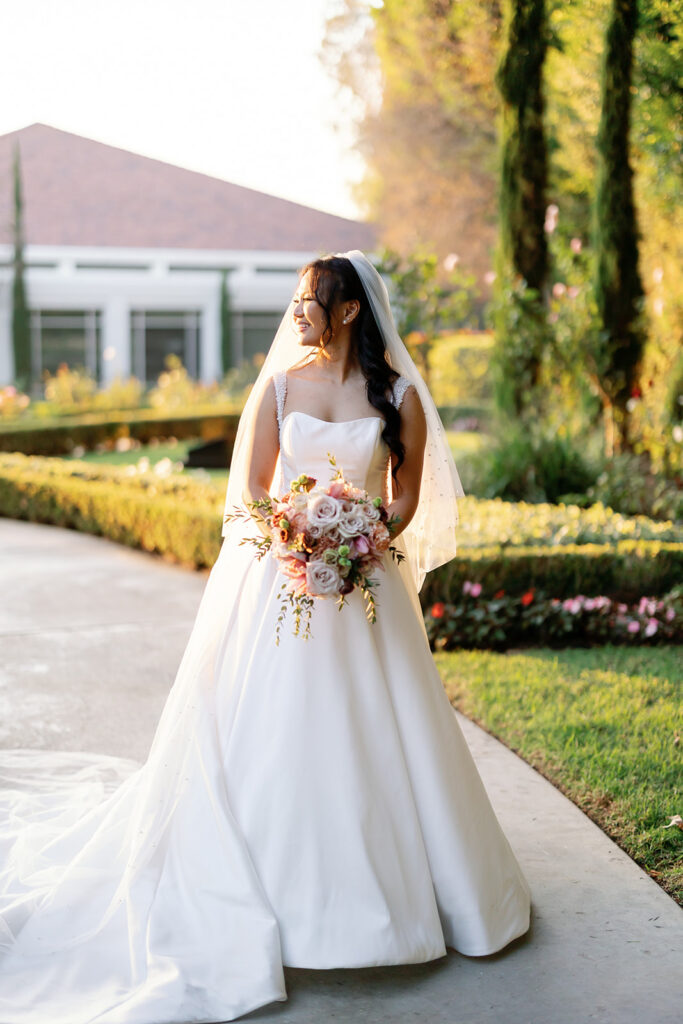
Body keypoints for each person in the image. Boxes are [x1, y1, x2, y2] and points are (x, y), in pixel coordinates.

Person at [0, 250, 530, 1024]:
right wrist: (295, 533)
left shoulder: (399, 396)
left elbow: (406, 495)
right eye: (296, 300)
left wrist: (360, 535)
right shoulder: (279, 388)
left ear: (349, 310)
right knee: (271, 729)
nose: (298, 312)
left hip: (365, 581)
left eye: (311, 300)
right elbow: (250, 489)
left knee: (381, 734)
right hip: (278, 580)